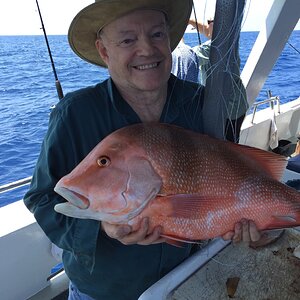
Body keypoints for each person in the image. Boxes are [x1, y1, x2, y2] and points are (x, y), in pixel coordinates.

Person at [23, 1, 262, 299]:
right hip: (104, 291)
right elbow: (42, 198)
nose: (147, 49)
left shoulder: (201, 104)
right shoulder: (75, 114)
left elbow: (228, 177)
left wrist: (241, 222)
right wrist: (103, 230)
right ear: (104, 51)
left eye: (157, 34)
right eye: (127, 39)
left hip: (184, 279)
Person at [171, 18, 213, 83]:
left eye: (209, 22)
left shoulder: (213, 46)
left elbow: (186, 58)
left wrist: (178, 31)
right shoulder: (229, 41)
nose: (207, 25)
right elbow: (209, 32)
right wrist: (189, 20)